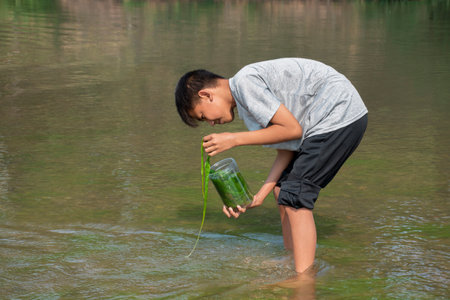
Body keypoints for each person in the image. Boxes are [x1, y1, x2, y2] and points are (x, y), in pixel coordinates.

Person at [175, 58, 368, 274]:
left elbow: (292, 130)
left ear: (206, 95)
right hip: (332, 119)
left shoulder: (245, 83)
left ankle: (303, 280)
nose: (210, 123)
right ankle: (292, 259)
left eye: (203, 116)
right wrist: (260, 195)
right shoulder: (246, 102)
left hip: (339, 114)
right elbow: (288, 147)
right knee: (282, 190)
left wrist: (233, 139)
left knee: (296, 196)